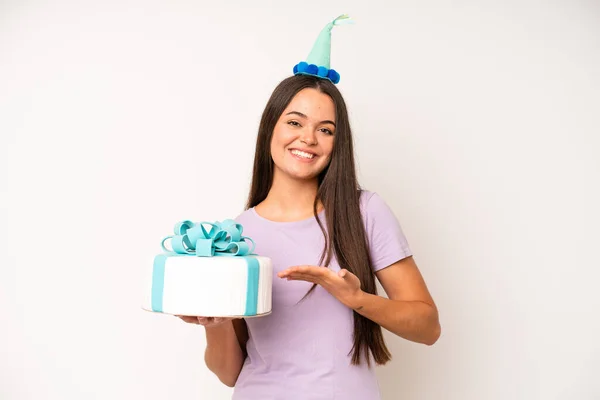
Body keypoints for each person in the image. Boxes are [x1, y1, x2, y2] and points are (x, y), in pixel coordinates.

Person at [177, 15, 440, 399]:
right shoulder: (235, 235)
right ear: (271, 128)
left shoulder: (364, 211)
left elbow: (428, 327)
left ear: (337, 142)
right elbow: (231, 373)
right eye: (295, 122)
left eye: (326, 129)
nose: (308, 138)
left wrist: (357, 299)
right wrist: (213, 323)